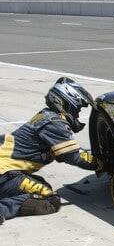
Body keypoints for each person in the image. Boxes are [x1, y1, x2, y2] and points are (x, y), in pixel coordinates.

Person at [0, 77, 102, 224]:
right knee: (49, 199)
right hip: (4, 173)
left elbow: (62, 154)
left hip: (5, 172)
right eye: (78, 109)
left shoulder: (46, 116)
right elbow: (74, 156)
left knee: (40, 183)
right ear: (66, 102)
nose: (78, 114)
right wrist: (102, 164)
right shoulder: (54, 123)